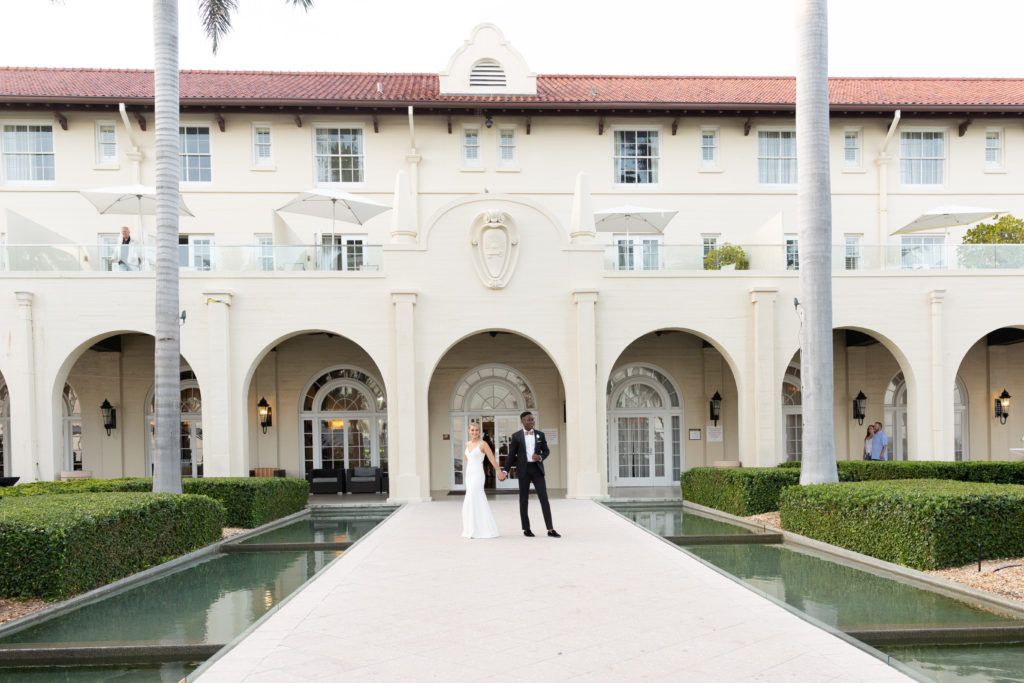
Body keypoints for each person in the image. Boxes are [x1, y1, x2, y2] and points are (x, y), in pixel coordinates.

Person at [503, 410, 560, 538]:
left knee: (544, 498)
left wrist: (539, 457)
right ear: (522, 421)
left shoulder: (540, 435)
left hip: (537, 470)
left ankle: (550, 529)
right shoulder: (516, 436)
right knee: (523, 500)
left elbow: (546, 451)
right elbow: (511, 455)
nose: (531, 421)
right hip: (523, 471)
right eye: (529, 420)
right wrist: (505, 470)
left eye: (532, 419)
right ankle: (526, 529)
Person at [461, 422, 504, 539]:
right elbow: (467, 459)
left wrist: (499, 471)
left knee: (475, 497)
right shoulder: (466, 444)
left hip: (478, 475)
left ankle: (483, 528)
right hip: (469, 475)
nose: (475, 432)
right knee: (470, 498)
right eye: (472, 430)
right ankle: (471, 528)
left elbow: (491, 459)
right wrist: (472, 466)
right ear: (469, 431)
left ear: (479, 432)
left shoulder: (483, 444)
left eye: (476, 430)